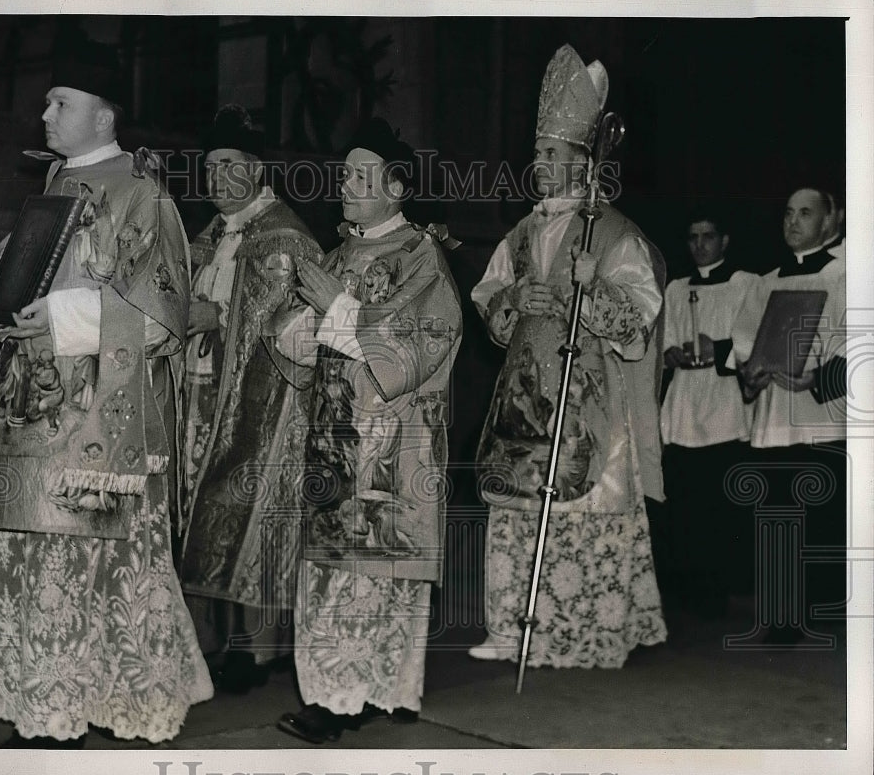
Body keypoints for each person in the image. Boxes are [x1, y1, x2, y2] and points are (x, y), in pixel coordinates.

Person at [0, 37, 213, 747]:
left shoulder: (142, 195)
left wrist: (67, 314)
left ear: (105, 117)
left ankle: (107, 704)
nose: (44, 114)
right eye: (46, 101)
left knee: (85, 565)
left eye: (59, 102)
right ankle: (43, 706)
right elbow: (6, 278)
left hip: (98, 414)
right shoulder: (50, 191)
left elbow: (164, 311)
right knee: (27, 558)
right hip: (29, 403)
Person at [469, 44, 667, 669]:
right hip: (525, 399)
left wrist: (594, 287)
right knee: (514, 504)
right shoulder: (521, 232)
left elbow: (638, 319)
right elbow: (489, 303)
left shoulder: (612, 233)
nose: (541, 164)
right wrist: (513, 299)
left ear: (585, 162)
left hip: (589, 401)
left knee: (581, 505)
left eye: (553, 154)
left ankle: (579, 632)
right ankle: (510, 626)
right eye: (537, 154)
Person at [272, 118, 463, 743]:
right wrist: (302, 323)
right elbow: (300, 343)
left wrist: (335, 308)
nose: (345, 185)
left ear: (397, 187)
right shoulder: (340, 251)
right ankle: (357, 688)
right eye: (345, 174)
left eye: (360, 176)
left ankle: (360, 693)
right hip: (332, 434)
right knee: (337, 569)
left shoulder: (419, 256)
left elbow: (421, 347)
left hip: (390, 441)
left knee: (376, 566)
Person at [179, 105, 323, 693]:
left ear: (257, 169)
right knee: (199, 510)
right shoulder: (209, 235)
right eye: (209, 167)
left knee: (249, 511)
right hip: (200, 393)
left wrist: (216, 315)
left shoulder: (286, 236)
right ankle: (208, 641)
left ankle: (258, 649)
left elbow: (297, 322)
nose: (215, 179)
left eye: (228, 166)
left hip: (264, 405)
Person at [729, 187, 847, 641]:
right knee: (777, 519)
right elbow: (745, 345)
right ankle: (781, 618)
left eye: (805, 213)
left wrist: (817, 380)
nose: (793, 222)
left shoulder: (846, 276)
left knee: (823, 521)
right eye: (788, 213)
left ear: (829, 221)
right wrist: (750, 376)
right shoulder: (765, 280)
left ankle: (827, 613)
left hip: (824, 417)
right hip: (774, 416)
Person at [659, 209, 758, 616]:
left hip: (723, 399)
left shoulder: (745, 284)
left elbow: (752, 340)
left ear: (725, 241)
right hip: (685, 401)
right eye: (693, 237)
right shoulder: (675, 288)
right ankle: (687, 589)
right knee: (684, 500)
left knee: (721, 504)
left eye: (708, 236)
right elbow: (662, 344)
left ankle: (724, 589)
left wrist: (715, 348)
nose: (700, 245)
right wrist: (672, 353)